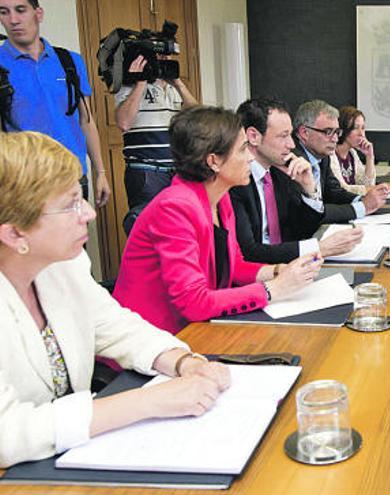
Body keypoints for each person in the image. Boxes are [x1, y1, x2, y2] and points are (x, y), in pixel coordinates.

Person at [0, 131, 230, 468]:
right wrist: (145, 402)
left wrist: (183, 361)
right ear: (14, 233)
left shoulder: (64, 265)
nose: (89, 214)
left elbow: (115, 326)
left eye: (81, 198)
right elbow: (7, 432)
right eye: (70, 205)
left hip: (70, 460)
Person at [113, 106, 322, 334]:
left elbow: (235, 266)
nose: (251, 157)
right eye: (243, 149)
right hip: (156, 340)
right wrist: (274, 289)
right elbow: (193, 302)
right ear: (214, 161)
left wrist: (279, 270)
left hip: (199, 330)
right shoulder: (174, 208)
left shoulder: (221, 199)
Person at [0, 0, 111, 206]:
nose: (13, 20)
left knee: (75, 238)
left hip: (73, 177)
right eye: (4, 12)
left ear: (38, 14)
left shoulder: (70, 61)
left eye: (21, 10)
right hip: (23, 183)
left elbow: (86, 121)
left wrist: (101, 172)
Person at [230, 97, 363, 264]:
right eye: (283, 136)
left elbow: (301, 230)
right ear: (253, 136)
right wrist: (319, 248)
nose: (292, 144)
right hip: (260, 278)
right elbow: (248, 252)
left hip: (291, 267)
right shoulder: (236, 181)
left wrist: (309, 189)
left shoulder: (280, 171)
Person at [115, 54, 198, 230]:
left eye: (168, 55)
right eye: (159, 54)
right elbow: (123, 123)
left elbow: (198, 120)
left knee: (178, 229)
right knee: (150, 232)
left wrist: (178, 83)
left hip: (176, 172)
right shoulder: (129, 85)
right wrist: (140, 83)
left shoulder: (173, 89)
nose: (164, 58)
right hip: (146, 173)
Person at [292, 99, 389, 223]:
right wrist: (363, 206)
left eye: (337, 132)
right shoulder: (294, 160)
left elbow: (335, 192)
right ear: (304, 133)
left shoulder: (322, 155)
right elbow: (309, 214)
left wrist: (362, 199)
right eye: (328, 132)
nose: (335, 139)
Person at [330, 105, 377, 196]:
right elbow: (341, 188)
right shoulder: (330, 154)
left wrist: (369, 157)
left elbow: (367, 184)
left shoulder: (352, 153)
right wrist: (377, 188)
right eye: (355, 128)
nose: (361, 134)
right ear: (343, 129)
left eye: (363, 128)